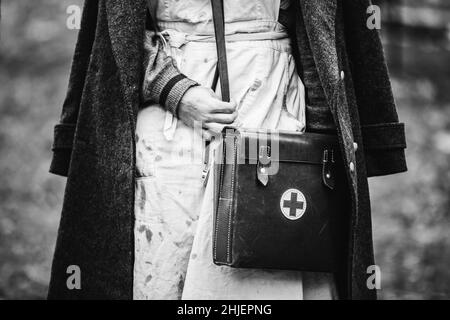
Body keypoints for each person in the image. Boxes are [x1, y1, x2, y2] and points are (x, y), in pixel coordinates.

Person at [48, 0, 407, 300]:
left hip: (274, 108)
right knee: (164, 272)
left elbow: (318, 26)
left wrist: (320, 143)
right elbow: (117, 30)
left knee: (266, 282)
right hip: (169, 117)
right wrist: (171, 87)